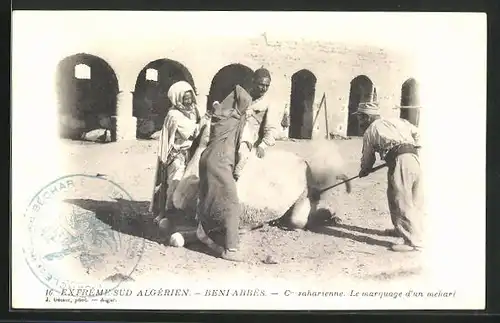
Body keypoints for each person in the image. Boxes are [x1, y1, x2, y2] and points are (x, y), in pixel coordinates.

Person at [196, 68, 278, 262]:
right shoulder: (240, 102)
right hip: (230, 144)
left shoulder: (266, 104)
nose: (263, 88)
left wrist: (263, 144)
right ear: (253, 82)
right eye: (260, 84)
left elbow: (271, 129)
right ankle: (220, 236)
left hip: (246, 144)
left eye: (267, 85)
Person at [355, 101, 423, 252]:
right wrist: (412, 149)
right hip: (414, 158)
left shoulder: (371, 130)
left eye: (359, 118)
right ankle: (404, 229)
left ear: (366, 117)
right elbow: (418, 133)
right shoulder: (397, 121)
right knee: (412, 198)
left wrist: (364, 170)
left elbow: (368, 157)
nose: (359, 121)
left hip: (400, 161)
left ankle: (412, 242)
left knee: (400, 200)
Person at [149, 81, 207, 225]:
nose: (189, 101)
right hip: (177, 155)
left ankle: (183, 213)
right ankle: (166, 213)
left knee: (189, 184)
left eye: (190, 97)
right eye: (185, 98)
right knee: (173, 184)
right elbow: (191, 133)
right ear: (177, 99)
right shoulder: (174, 115)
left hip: (191, 153)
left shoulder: (194, 111)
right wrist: (205, 120)